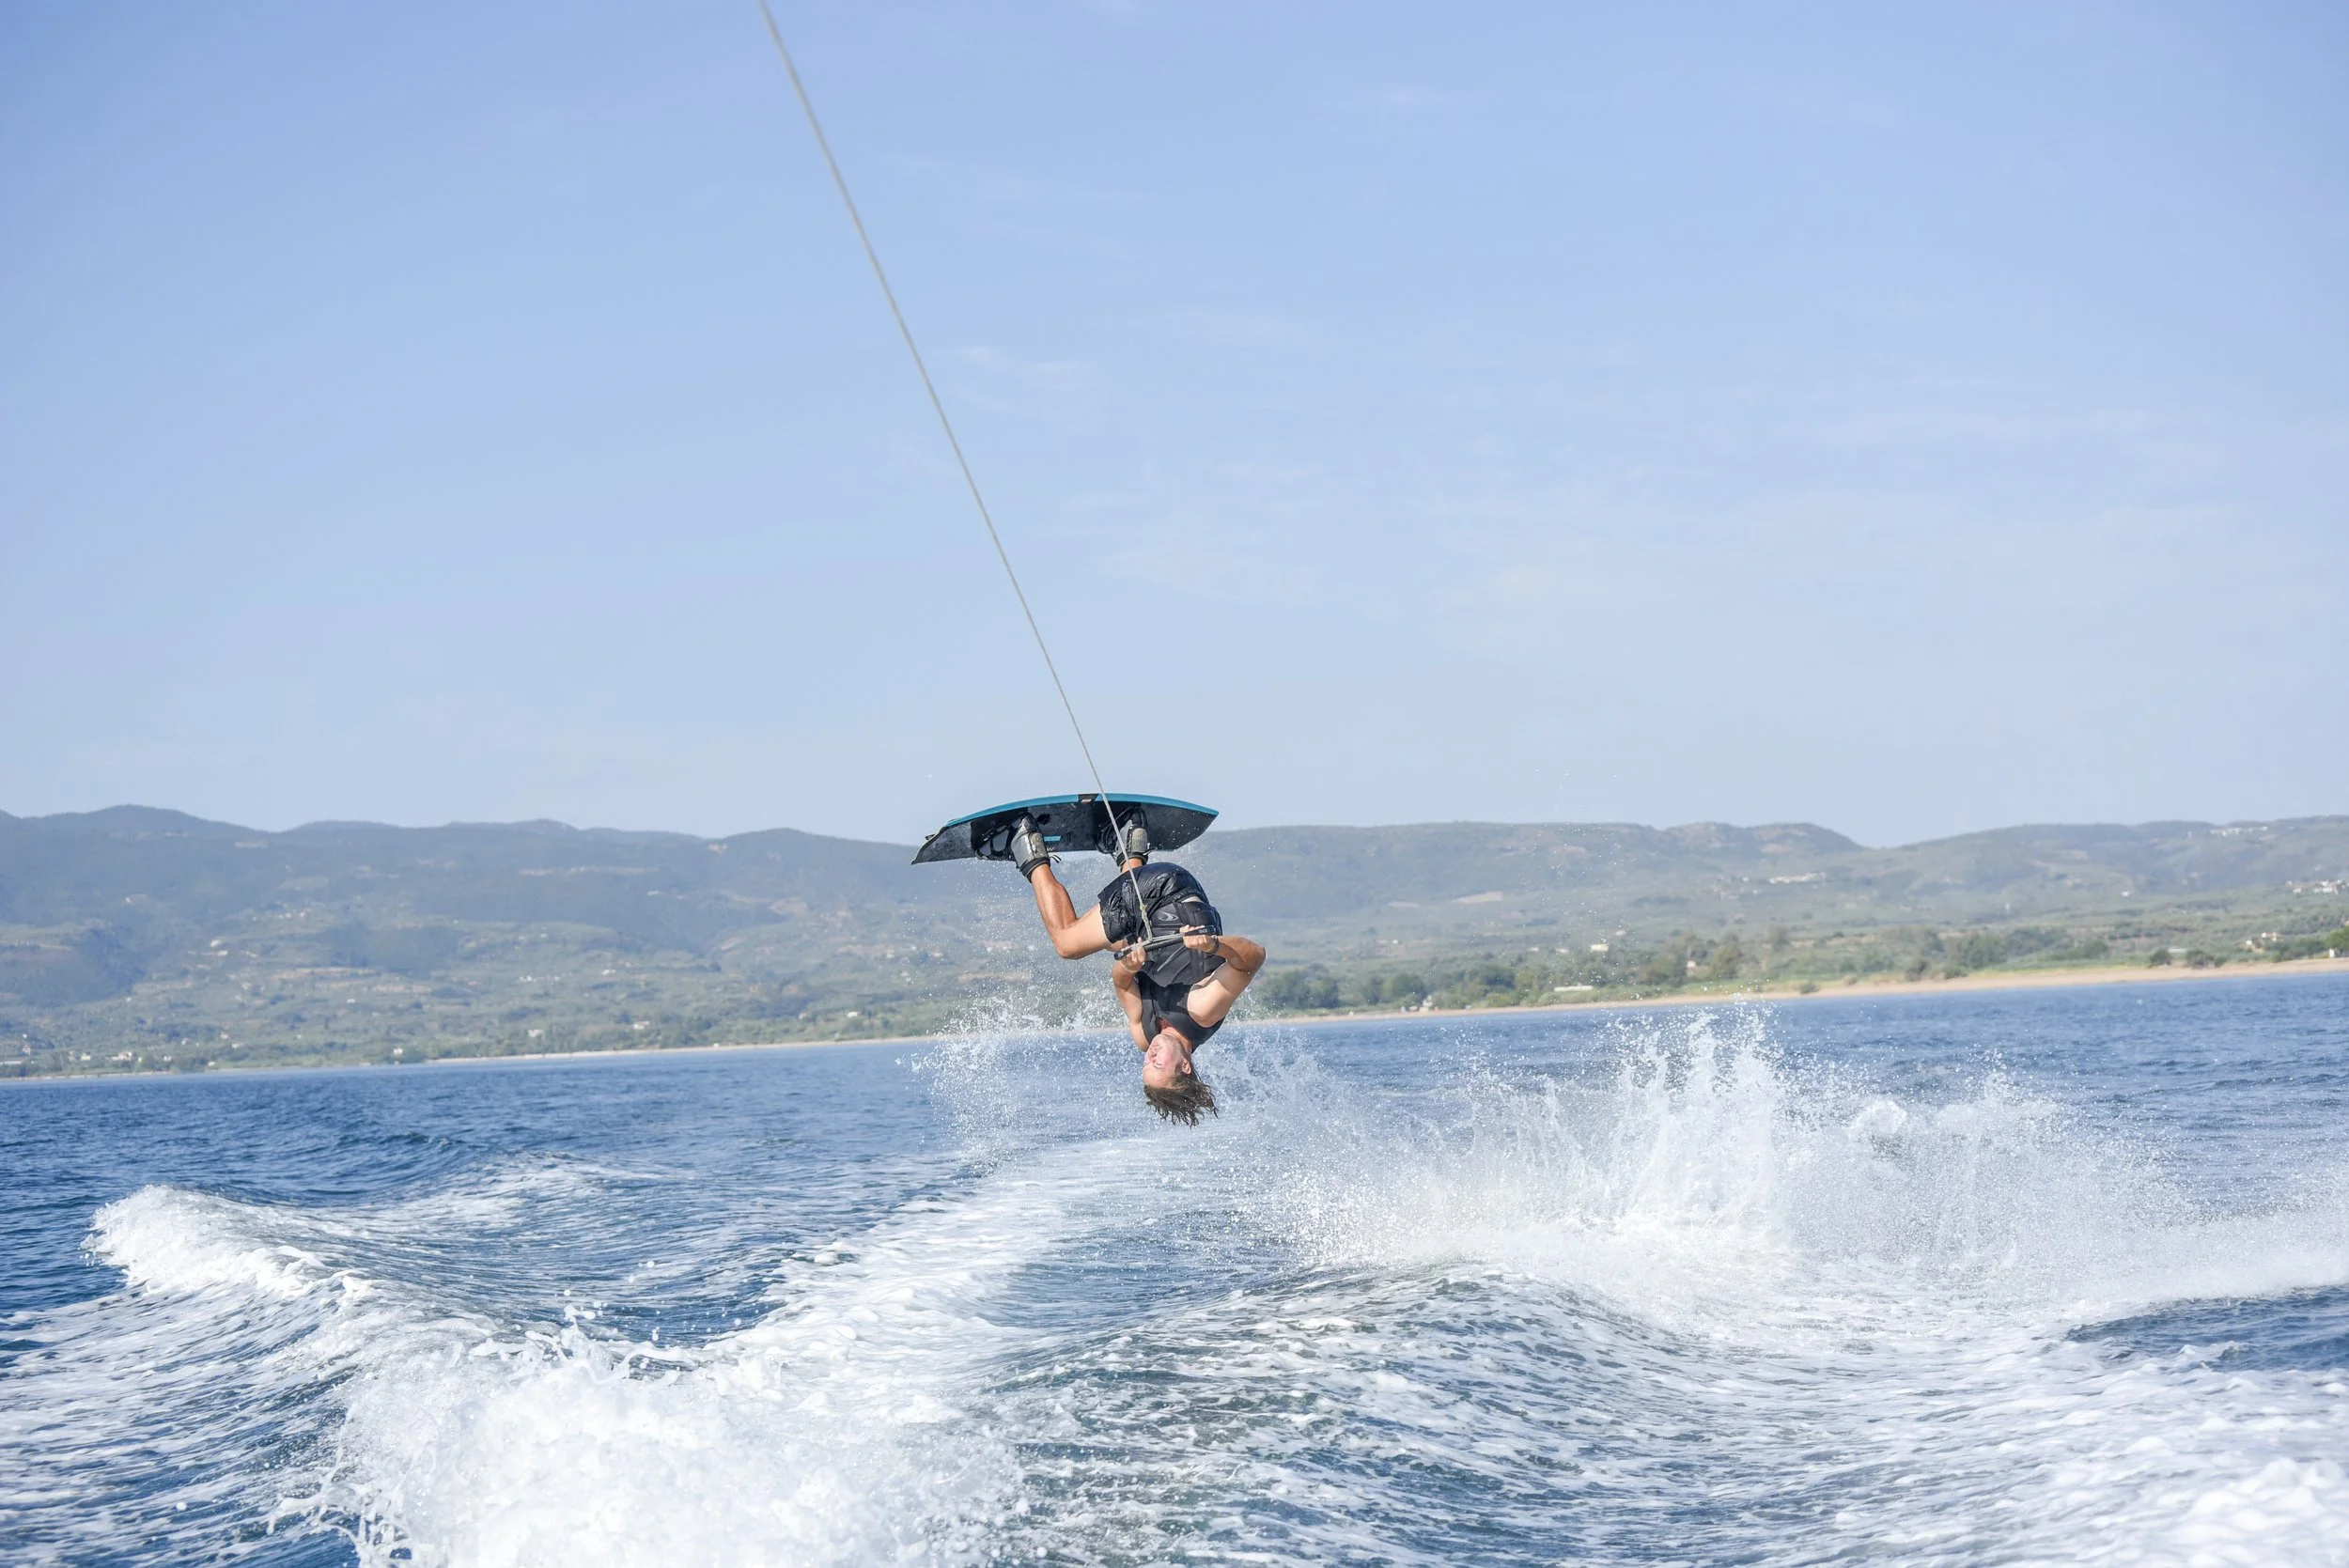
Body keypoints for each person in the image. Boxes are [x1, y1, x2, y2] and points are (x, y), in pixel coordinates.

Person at [1009, 816, 1265, 1126]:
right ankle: (1026, 844)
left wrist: (1127, 967)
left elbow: (1121, 983)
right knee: (1067, 944)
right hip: (1167, 891)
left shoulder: (1145, 1037)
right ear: (1185, 1066)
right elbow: (1253, 959)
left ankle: (1130, 838)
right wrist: (1213, 946)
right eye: (1158, 1065)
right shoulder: (1202, 1011)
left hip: (1147, 914)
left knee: (1115, 945)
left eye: (1146, 1065)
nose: (1150, 1057)